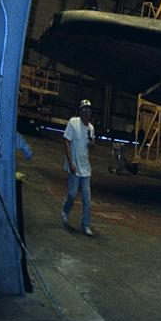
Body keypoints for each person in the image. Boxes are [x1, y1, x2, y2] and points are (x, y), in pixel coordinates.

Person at [62, 98, 97, 236]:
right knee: (72, 194)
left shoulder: (91, 128)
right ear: (80, 111)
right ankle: (65, 210)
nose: (86, 112)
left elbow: (91, 145)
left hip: (86, 168)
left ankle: (86, 224)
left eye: (88, 109)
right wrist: (70, 163)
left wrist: (92, 144)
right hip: (75, 166)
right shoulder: (73, 123)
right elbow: (66, 142)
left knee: (87, 199)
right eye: (84, 109)